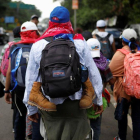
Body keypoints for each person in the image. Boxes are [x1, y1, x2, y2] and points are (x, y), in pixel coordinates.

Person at [23, 6, 103, 140]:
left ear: (50, 22)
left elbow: (30, 80)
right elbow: (92, 74)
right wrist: (98, 100)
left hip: (49, 106)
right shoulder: (79, 43)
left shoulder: (38, 45)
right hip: (76, 105)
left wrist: (31, 109)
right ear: (68, 22)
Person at [4, 21, 42, 140]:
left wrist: (7, 90)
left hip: (18, 89)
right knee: (37, 117)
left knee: (20, 117)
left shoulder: (15, 47)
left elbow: (10, 70)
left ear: (21, 33)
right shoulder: (40, 46)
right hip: (36, 88)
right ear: (35, 32)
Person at [109, 28, 140, 140]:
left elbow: (111, 70)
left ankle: (121, 137)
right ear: (136, 40)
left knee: (122, 115)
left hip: (124, 90)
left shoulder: (120, 54)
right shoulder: (139, 52)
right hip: (138, 90)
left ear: (122, 41)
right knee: (137, 117)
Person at [86, 38, 114, 140]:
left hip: (84, 99)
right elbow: (112, 81)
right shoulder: (104, 62)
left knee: (82, 125)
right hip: (99, 99)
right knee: (96, 127)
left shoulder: (83, 62)